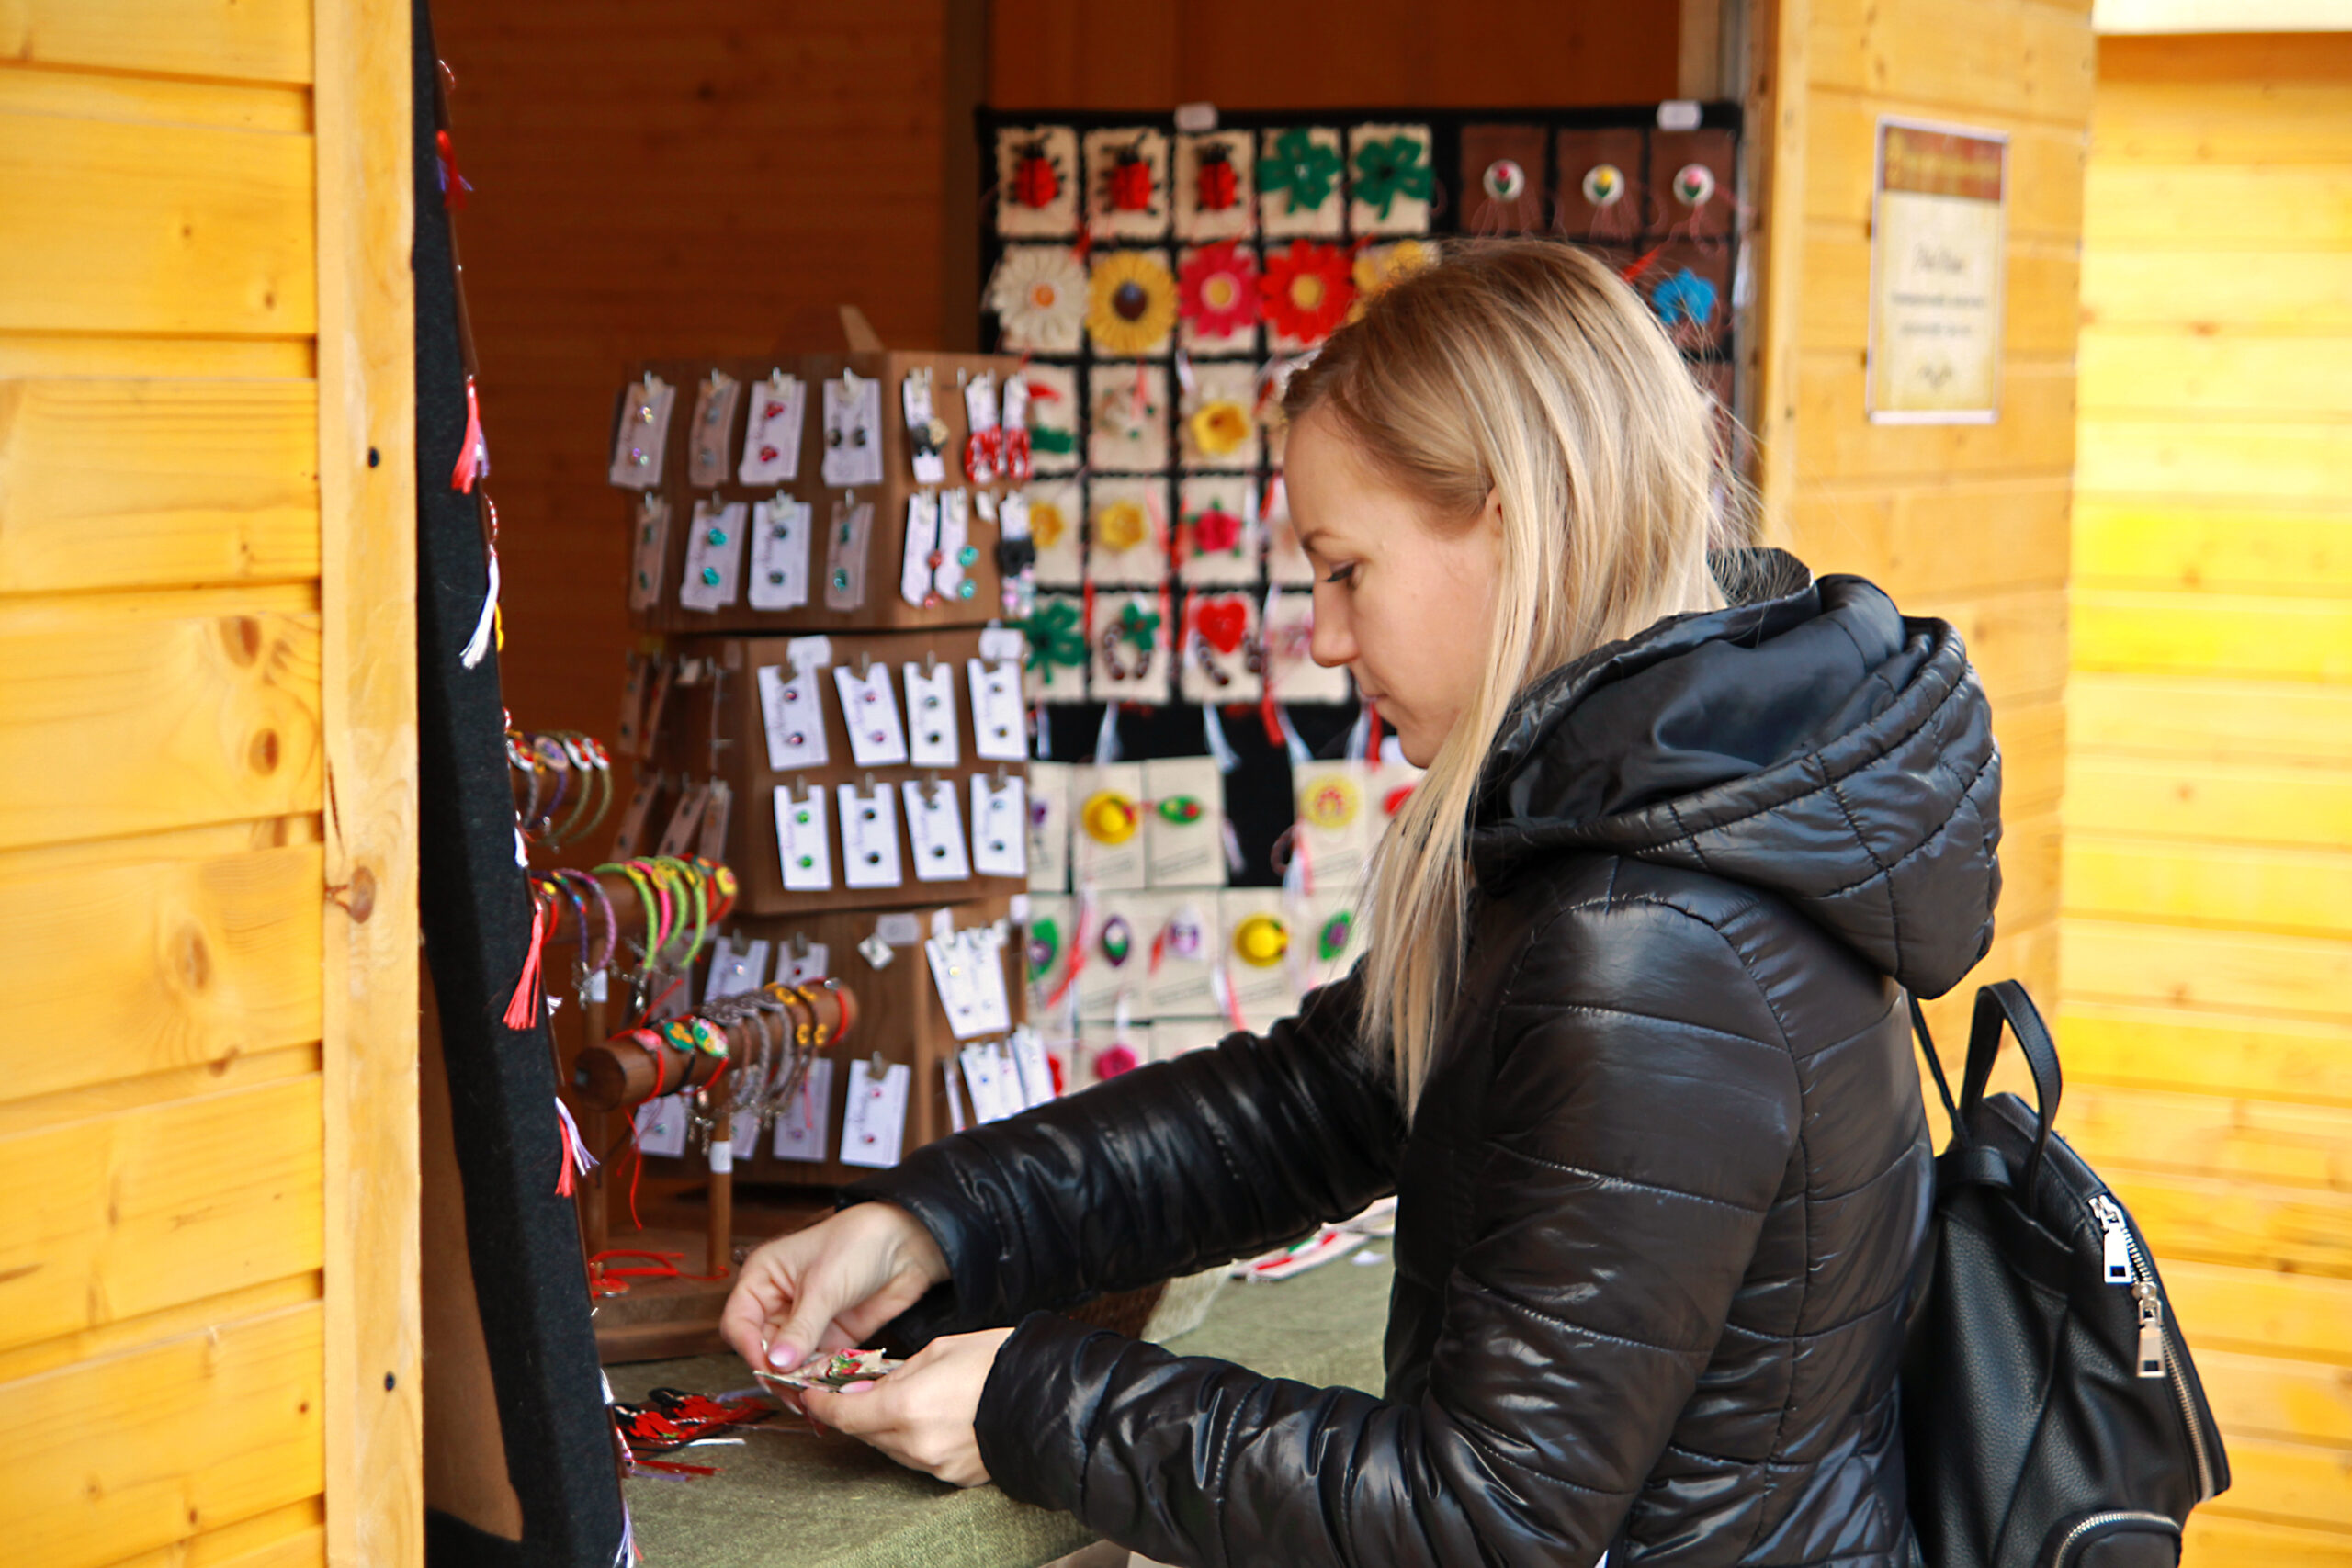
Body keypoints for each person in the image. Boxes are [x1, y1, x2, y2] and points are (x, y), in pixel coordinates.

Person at [720, 240, 2000, 1567]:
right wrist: (938, 1222)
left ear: (1511, 516)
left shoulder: (1651, 939)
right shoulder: (1646, 818)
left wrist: (1023, 1401)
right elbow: (1315, 1103)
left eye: (1345, 570)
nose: (1326, 639)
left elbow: (1481, 1520)